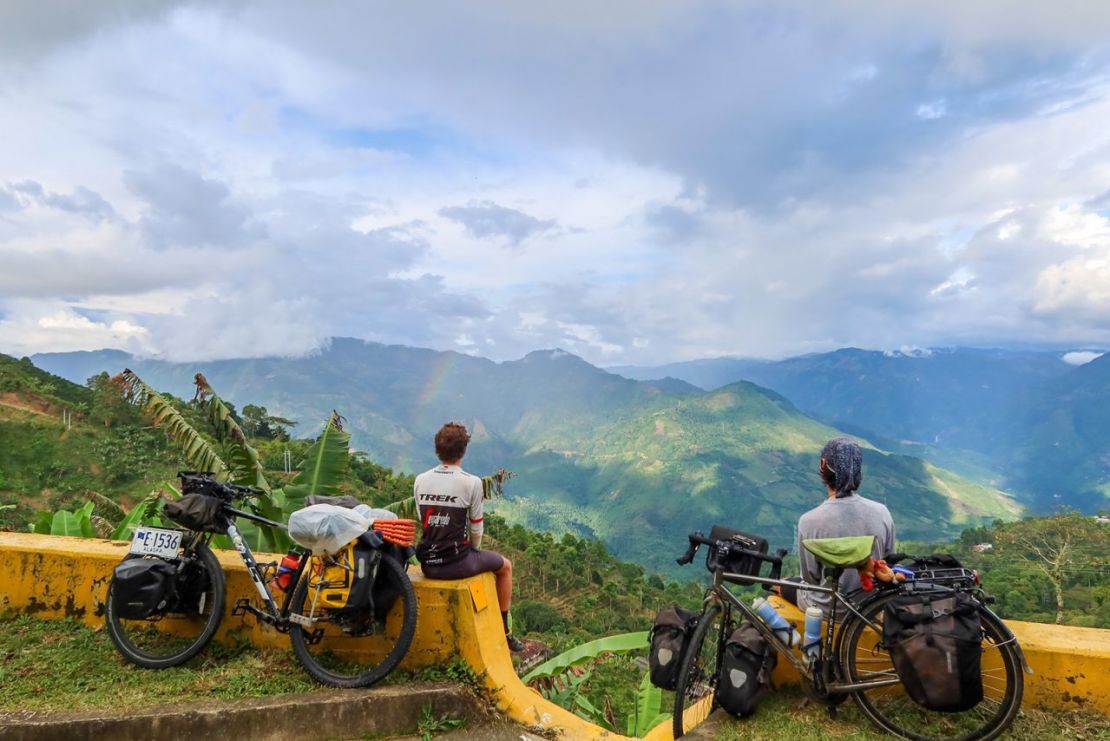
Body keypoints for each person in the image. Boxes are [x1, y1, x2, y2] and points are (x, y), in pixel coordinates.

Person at [413, 422, 524, 652]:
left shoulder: (420, 480)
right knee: (506, 567)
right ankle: (505, 631)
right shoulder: (471, 483)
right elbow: (476, 529)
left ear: (437, 450)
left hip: (427, 564)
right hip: (456, 562)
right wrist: (474, 550)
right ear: (463, 451)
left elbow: (423, 519)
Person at [779, 437, 896, 616]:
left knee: (780, 584)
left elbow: (811, 579)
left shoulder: (809, 521)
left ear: (822, 465)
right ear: (858, 471)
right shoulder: (882, 512)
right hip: (871, 608)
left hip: (827, 608)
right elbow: (888, 562)